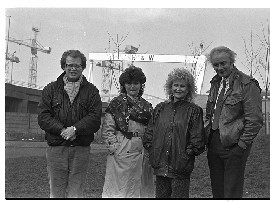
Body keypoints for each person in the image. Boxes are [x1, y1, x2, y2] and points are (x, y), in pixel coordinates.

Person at [38, 50, 102, 198]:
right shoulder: (50, 89)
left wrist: (75, 129)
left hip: (81, 150)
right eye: (70, 65)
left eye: (77, 65)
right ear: (63, 66)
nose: (73, 69)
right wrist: (62, 130)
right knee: (56, 193)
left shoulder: (92, 91)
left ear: (83, 67)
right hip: (56, 150)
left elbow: (95, 118)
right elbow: (43, 117)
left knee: (76, 194)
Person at [204, 46, 263, 198]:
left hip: (234, 145)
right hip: (214, 143)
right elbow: (210, 113)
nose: (219, 68)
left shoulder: (247, 84)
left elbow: (254, 120)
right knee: (218, 191)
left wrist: (241, 146)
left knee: (231, 192)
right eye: (216, 65)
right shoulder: (215, 83)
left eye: (223, 63)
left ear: (232, 61)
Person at [143, 68, 206, 198]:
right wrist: (152, 150)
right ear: (170, 87)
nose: (178, 89)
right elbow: (150, 132)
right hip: (160, 164)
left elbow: (197, 139)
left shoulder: (194, 111)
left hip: (180, 167)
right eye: (175, 85)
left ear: (188, 89)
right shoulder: (160, 108)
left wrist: (186, 155)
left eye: (182, 86)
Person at [101, 65, 155, 198]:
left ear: (141, 85)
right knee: (120, 188)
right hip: (123, 146)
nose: (132, 86)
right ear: (123, 85)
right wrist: (114, 148)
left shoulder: (147, 106)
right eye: (129, 83)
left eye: (136, 83)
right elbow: (108, 128)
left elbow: (152, 127)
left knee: (141, 188)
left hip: (142, 148)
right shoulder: (116, 104)